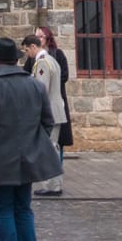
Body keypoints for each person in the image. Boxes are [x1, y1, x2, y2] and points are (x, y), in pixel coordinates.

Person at [0, 37, 60, 241]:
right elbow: (47, 121)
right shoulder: (35, 85)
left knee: (4, 210)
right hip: (27, 158)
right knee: (23, 209)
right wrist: (33, 144)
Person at [23, 33, 64, 196]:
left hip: (49, 112)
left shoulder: (42, 63)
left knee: (49, 148)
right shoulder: (51, 59)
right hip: (55, 110)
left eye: (27, 50)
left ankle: (52, 185)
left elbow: (41, 90)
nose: (27, 55)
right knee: (52, 147)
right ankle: (54, 184)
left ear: (33, 47)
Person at [37, 27, 72, 156]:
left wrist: (50, 81)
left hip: (55, 95)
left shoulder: (57, 54)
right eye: (36, 36)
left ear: (47, 39)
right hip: (42, 99)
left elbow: (65, 75)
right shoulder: (34, 57)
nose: (38, 39)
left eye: (40, 36)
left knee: (56, 138)